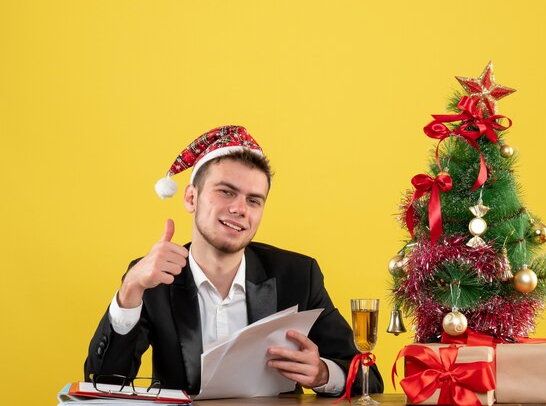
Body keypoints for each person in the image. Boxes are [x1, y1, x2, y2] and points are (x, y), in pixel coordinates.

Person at [84, 126, 383, 397]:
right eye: (226, 192)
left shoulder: (298, 275)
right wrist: (130, 291)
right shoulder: (153, 277)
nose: (240, 209)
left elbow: (370, 379)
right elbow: (105, 382)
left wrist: (322, 373)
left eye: (254, 200)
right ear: (191, 198)